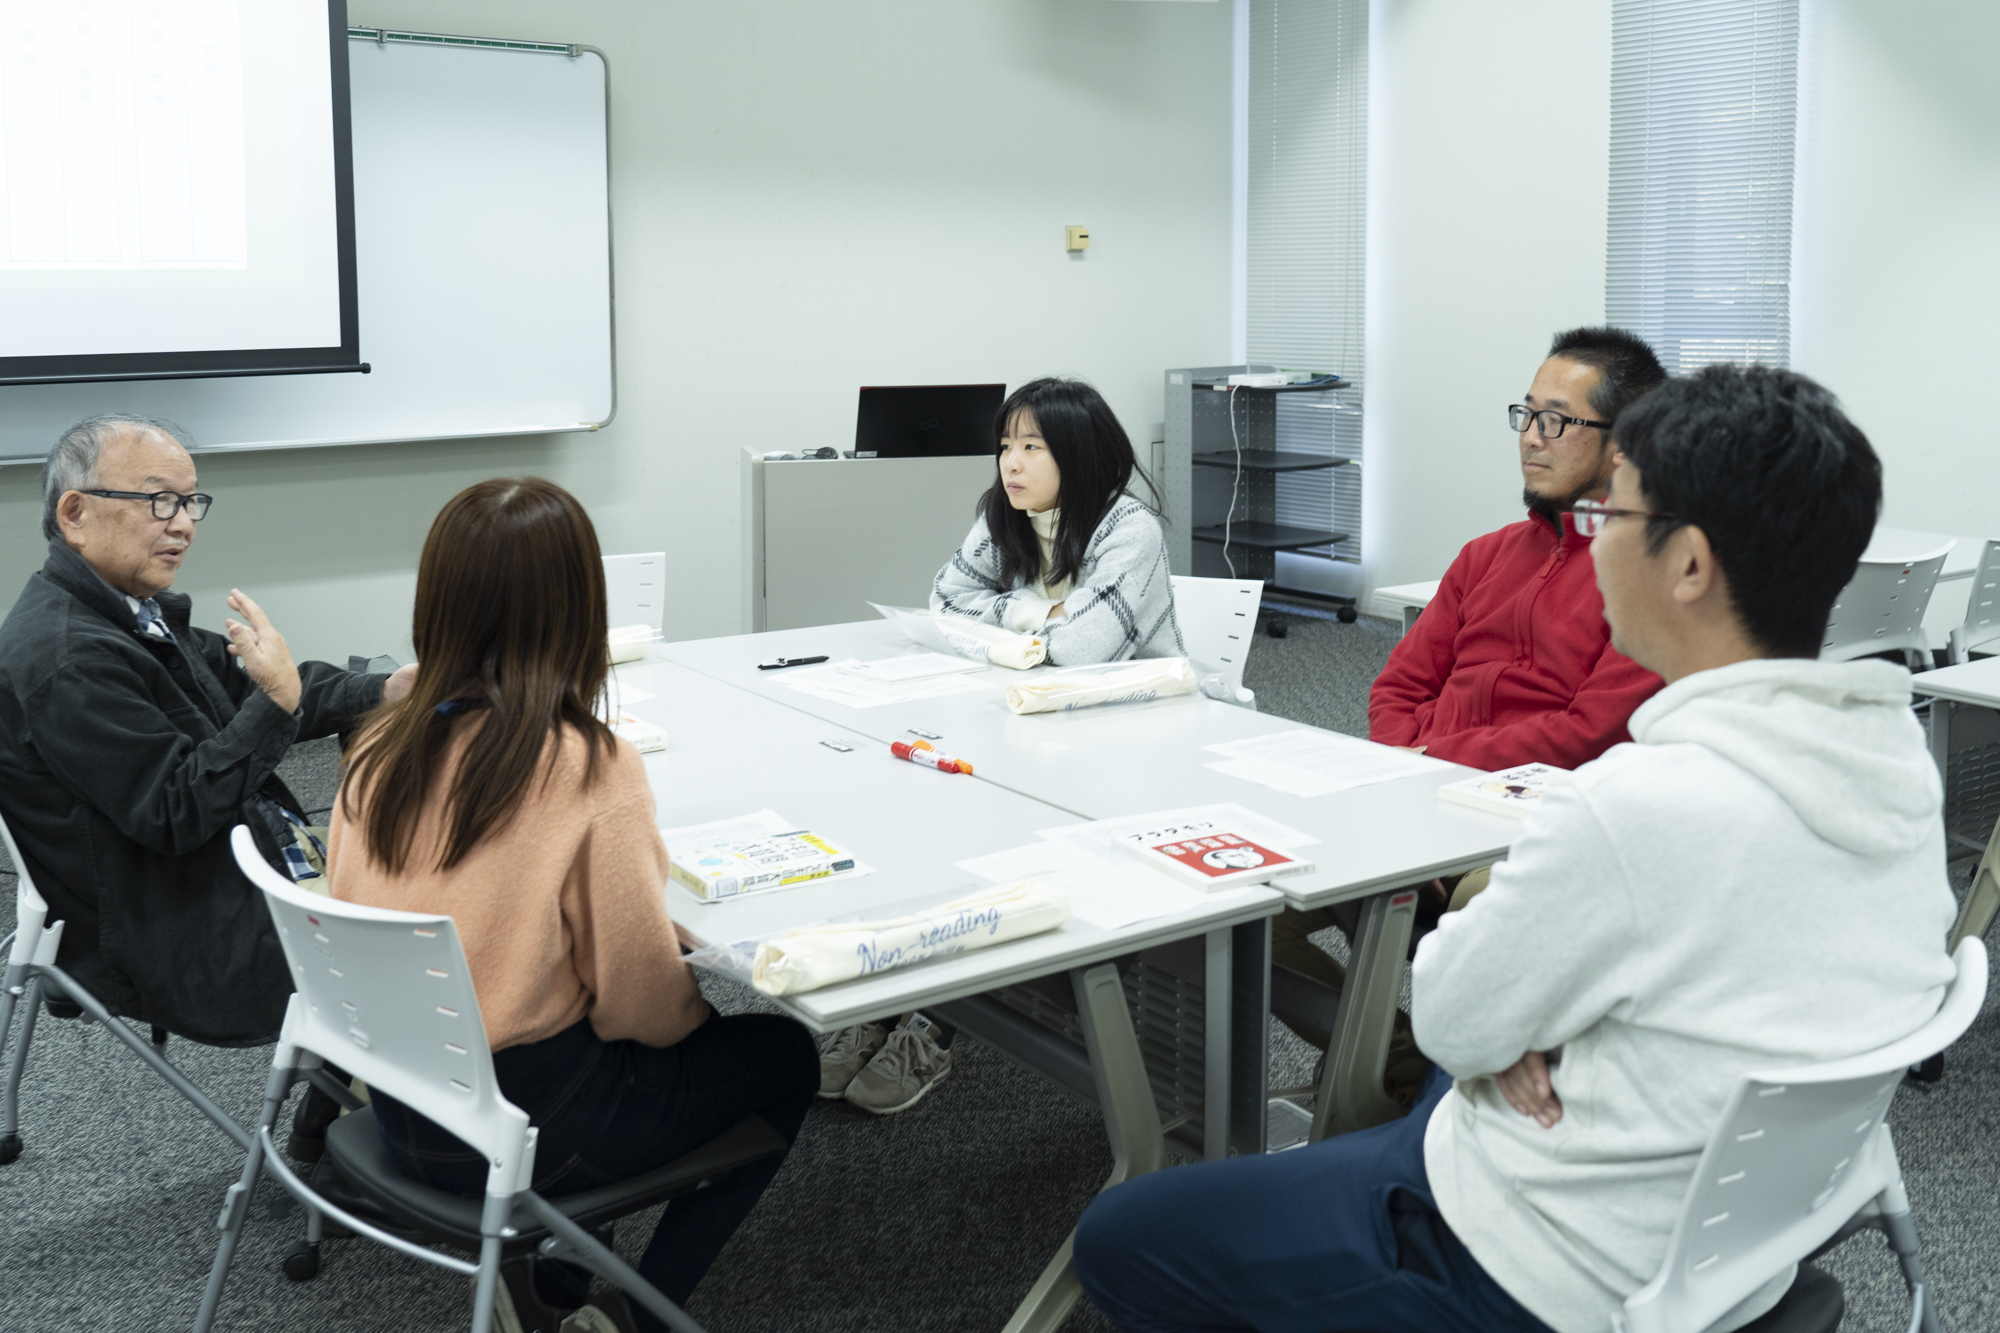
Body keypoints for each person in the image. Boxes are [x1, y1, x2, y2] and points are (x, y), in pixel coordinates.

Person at [1071, 365, 1958, 1333]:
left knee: (1122, 1231)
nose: (1592, 537)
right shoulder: (1897, 773)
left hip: (1535, 1261)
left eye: (1609, 516)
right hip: (1739, 1242)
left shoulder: (1633, 805)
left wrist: (1511, 997)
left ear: (1689, 564)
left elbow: (1453, 1016)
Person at [328, 477, 818, 1333]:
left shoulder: (377, 747)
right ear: (576, 608)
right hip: (532, 1127)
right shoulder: (586, 763)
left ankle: (551, 1286)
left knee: (590, 1026)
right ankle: (634, 1316)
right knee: (783, 1053)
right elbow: (641, 1004)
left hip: (402, 1103)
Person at [1267, 328, 1672, 1091]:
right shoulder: (1486, 555)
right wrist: (1409, 768)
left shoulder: (1645, 573)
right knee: (1248, 909)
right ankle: (1399, 1063)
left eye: (1557, 419)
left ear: (1623, 445)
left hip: (1531, 819)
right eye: (1526, 413)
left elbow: (1589, 731)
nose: (1530, 436)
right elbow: (1395, 690)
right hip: (1418, 794)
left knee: (1490, 908)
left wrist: (1432, 768)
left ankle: (1454, 1101)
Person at [818, 378, 1188, 1116]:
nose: (1010, 463)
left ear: (1078, 454)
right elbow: (943, 602)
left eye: (1030, 446)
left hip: (1130, 745)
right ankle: (892, 992)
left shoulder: (1130, 530)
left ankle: (937, 1017)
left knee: (980, 838)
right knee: (921, 809)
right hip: (1030, 723)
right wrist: (1032, 609)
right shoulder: (1005, 513)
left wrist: (1021, 624)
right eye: (1004, 445)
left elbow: (1080, 651)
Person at [0, 414, 411, 1050]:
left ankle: (341, 1107)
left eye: (191, 501)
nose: (185, 522)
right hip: (186, 929)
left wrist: (384, 692)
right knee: (456, 915)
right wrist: (274, 700)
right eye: (161, 500)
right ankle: (376, 1114)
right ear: (75, 514)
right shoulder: (67, 659)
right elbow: (175, 810)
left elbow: (258, 687)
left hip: (227, 866)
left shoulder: (129, 613)